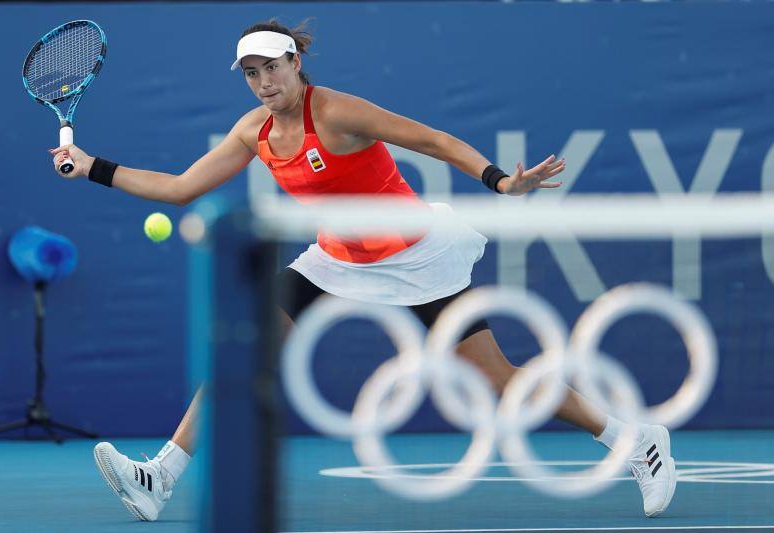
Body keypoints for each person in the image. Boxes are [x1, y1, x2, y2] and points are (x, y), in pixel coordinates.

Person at [51, 19, 675, 522]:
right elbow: (182, 187)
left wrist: (501, 181)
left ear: (296, 62)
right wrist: (92, 166)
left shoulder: (340, 113)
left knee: (497, 380)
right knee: (242, 347)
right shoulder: (254, 132)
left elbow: (432, 139)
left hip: (416, 257)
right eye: (251, 73)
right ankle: (161, 475)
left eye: (272, 66)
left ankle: (635, 440)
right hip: (337, 260)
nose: (263, 81)